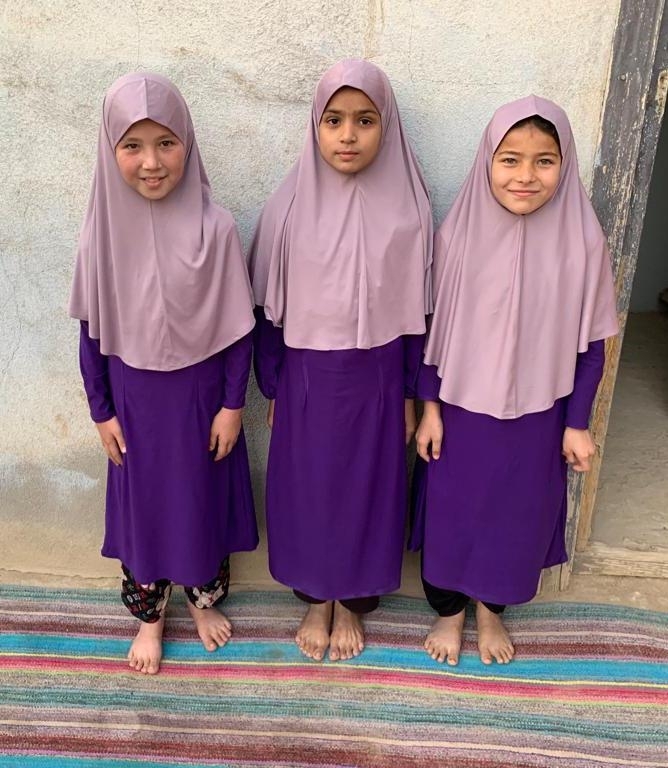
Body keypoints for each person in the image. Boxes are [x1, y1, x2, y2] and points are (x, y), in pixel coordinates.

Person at [412, 95, 619, 666]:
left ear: (564, 164)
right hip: (461, 414)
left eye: (544, 160)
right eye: (510, 159)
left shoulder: (583, 243)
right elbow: (432, 333)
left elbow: (592, 345)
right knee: (454, 513)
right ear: (487, 161)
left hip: (539, 418)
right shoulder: (457, 239)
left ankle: (491, 611)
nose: (526, 175)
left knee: (516, 517)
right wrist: (430, 409)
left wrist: (577, 423)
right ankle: (450, 613)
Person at [69, 72, 258, 675]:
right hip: (135, 406)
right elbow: (91, 333)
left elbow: (238, 330)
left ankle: (203, 602)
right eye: (132, 145)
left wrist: (233, 405)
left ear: (188, 143)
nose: (151, 162)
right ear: (110, 149)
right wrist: (101, 411)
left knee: (202, 504)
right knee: (144, 511)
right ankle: (150, 618)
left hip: (202, 404)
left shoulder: (217, 228)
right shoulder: (100, 237)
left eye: (166, 143)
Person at [249, 59, 432, 662]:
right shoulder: (288, 209)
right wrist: (274, 386)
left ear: (387, 126)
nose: (347, 135)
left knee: (367, 491)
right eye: (333, 120)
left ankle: (352, 601)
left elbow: (419, 317)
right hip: (307, 379)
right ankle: (315, 597)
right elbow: (267, 313)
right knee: (309, 489)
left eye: (364, 120)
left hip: (379, 382)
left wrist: (410, 395)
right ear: (315, 125)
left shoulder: (409, 212)